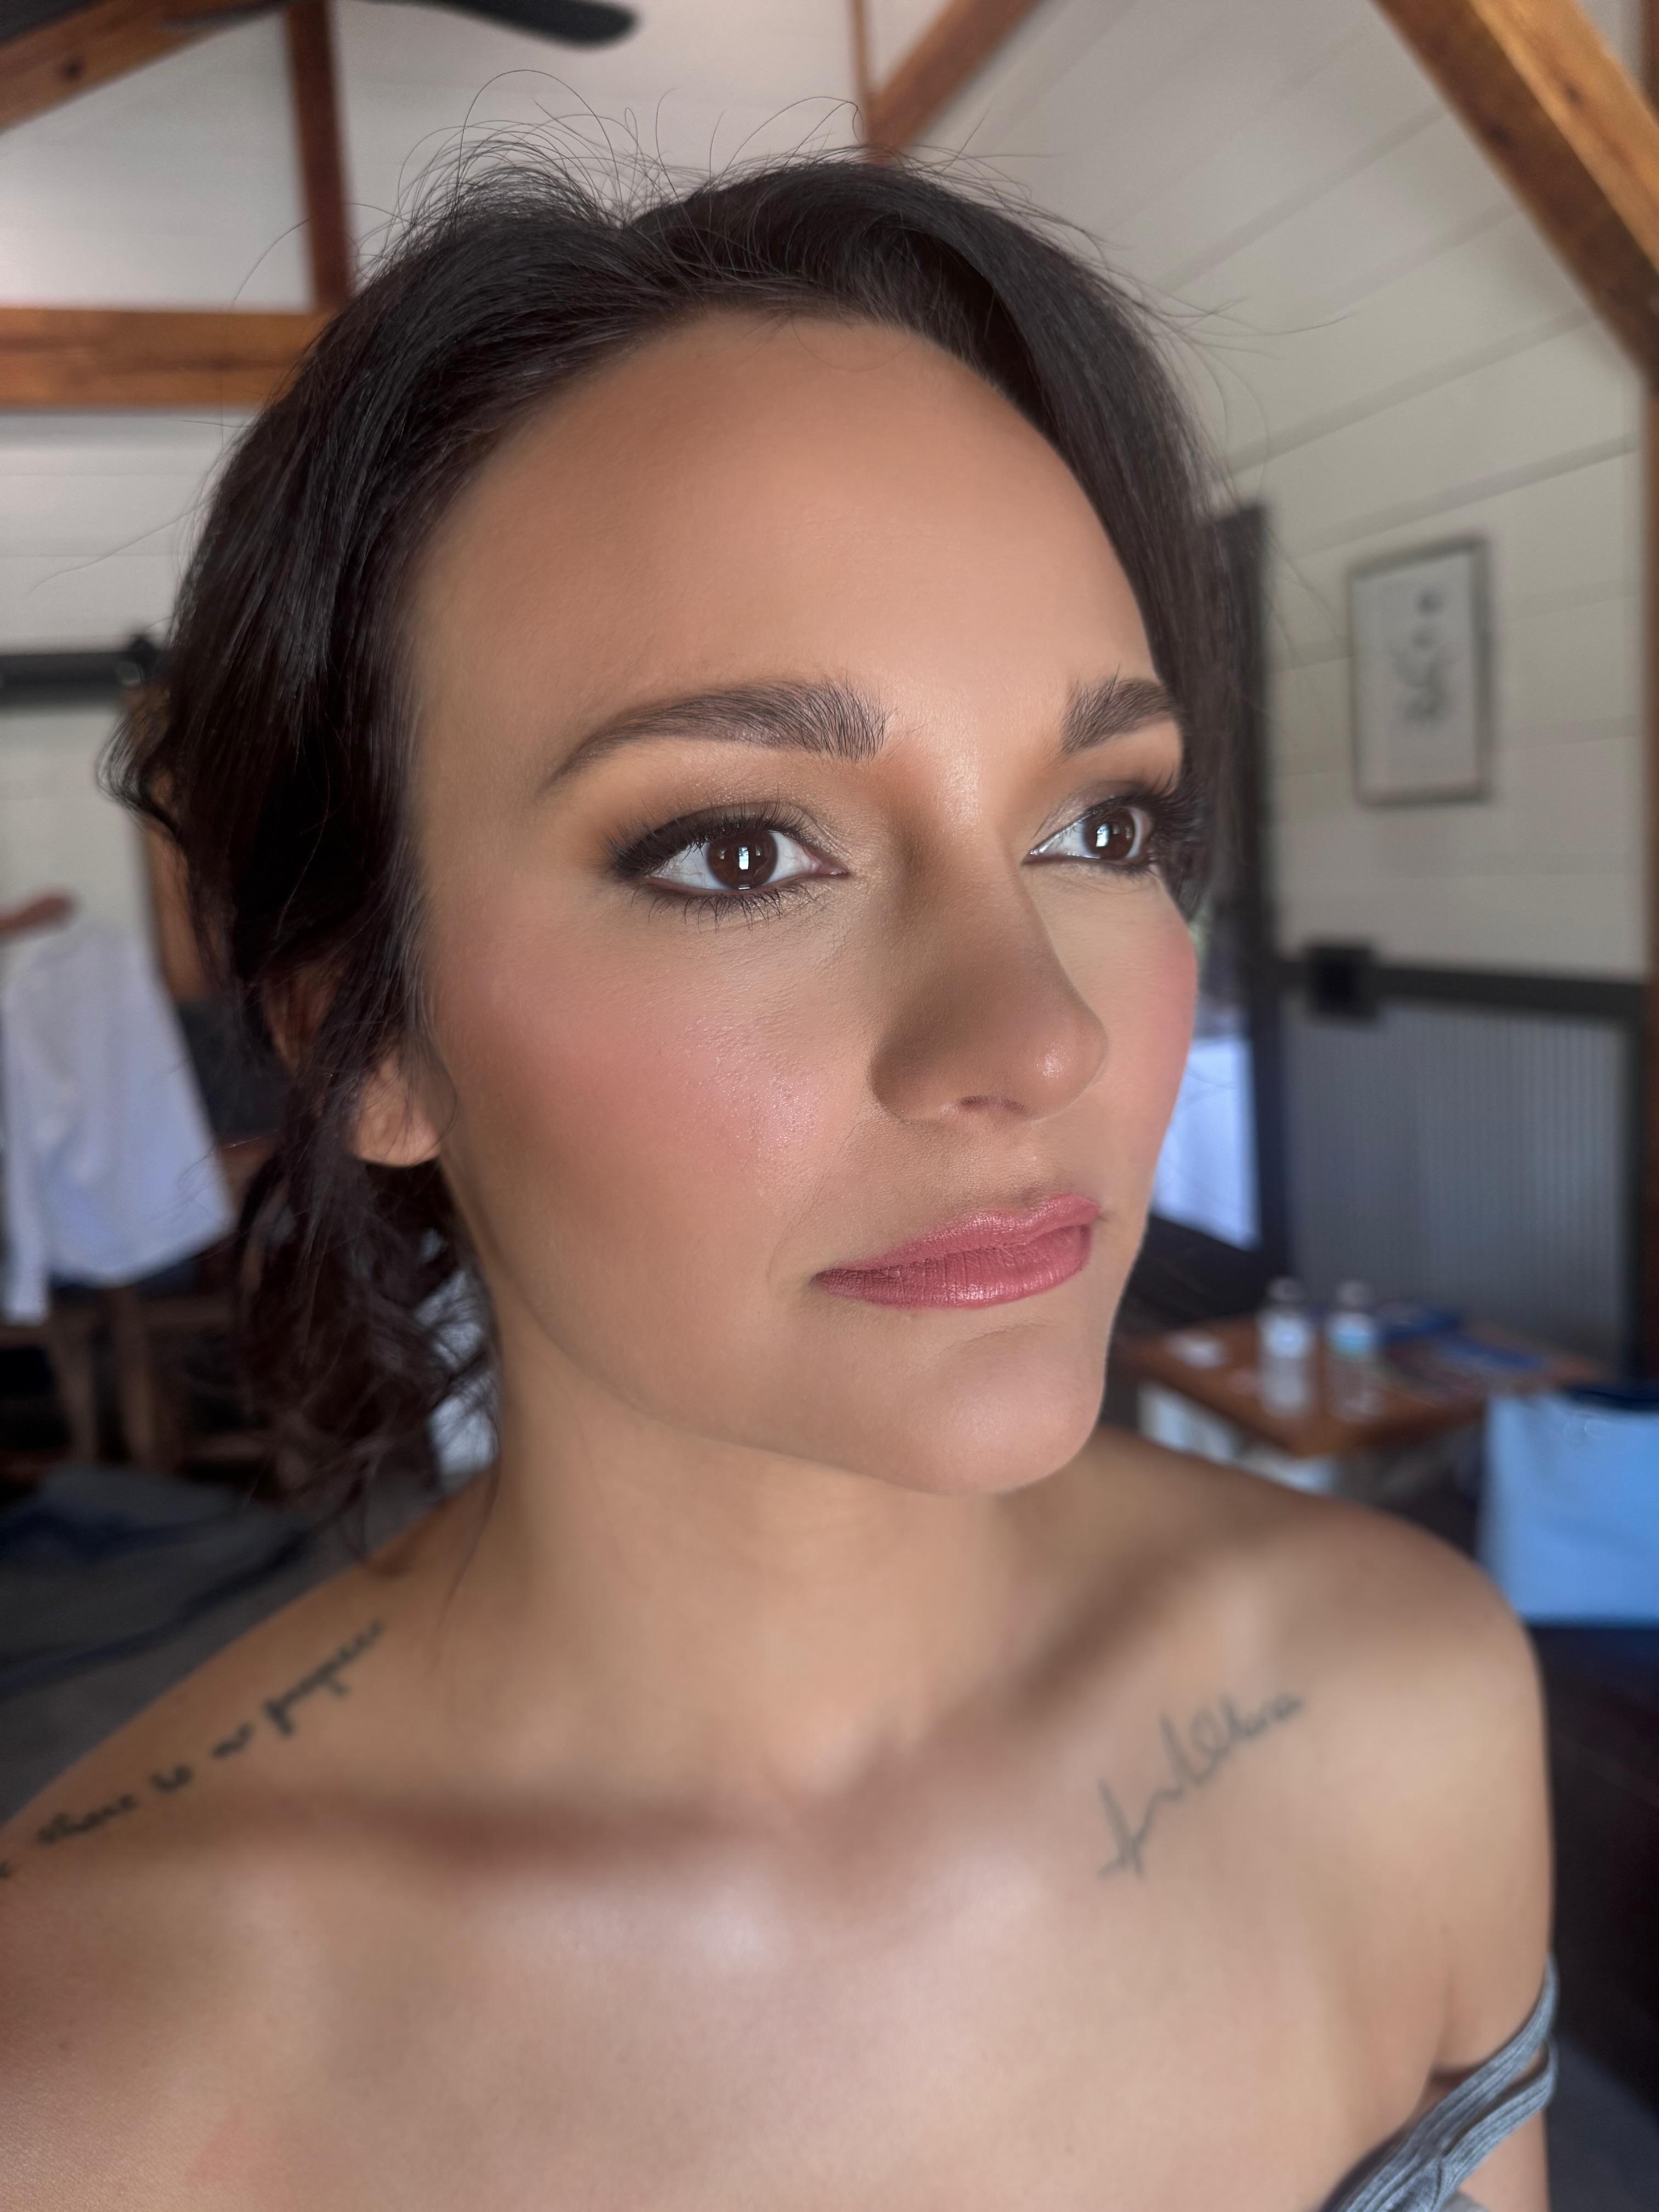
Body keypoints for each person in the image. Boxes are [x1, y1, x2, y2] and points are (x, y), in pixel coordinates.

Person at [0, 154, 1553, 2210]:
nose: (1039, 1039)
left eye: (1101, 826)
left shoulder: (1409, 1706)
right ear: (361, 1035)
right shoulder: (83, 2082)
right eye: (737, 852)